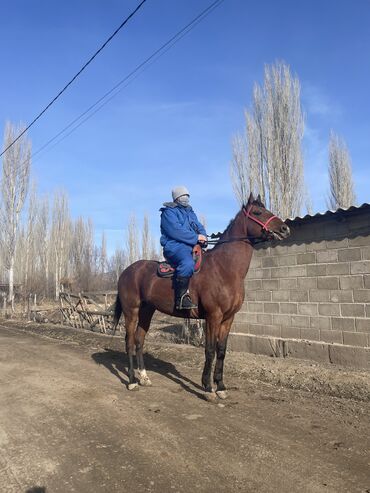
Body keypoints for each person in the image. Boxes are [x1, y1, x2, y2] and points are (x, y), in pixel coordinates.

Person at [160, 186, 207, 310]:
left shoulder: (190, 212)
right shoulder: (168, 212)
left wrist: (204, 237)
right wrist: (196, 237)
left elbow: (198, 226)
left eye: (187, 196)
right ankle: (181, 299)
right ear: (176, 198)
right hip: (174, 245)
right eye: (182, 196)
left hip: (191, 245)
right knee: (187, 262)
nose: (185, 198)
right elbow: (175, 231)